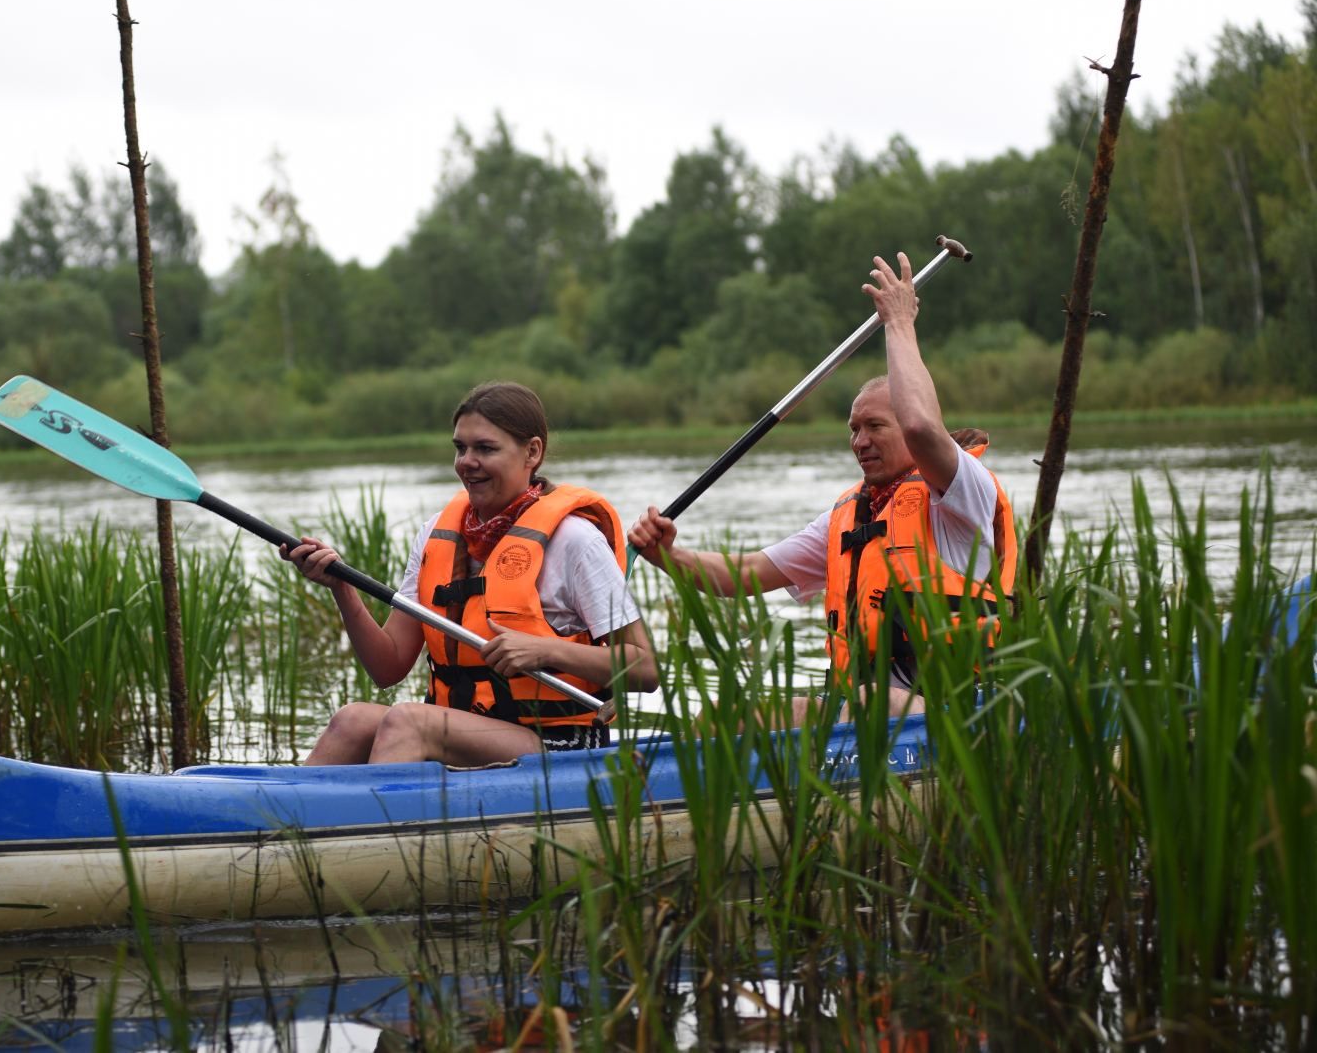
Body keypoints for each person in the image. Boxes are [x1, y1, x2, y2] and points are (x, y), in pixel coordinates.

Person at [628, 252, 1016, 718]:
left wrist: (899, 321)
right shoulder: (851, 517)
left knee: (866, 701)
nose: (859, 441)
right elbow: (744, 574)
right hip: (869, 706)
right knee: (722, 716)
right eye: (853, 429)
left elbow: (920, 427)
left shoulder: (962, 489)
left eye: (875, 426)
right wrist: (667, 556)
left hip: (961, 705)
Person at [284, 381, 659, 765]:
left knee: (408, 722)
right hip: (467, 727)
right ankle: (284, 820)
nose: (466, 461)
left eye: (485, 448)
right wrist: (341, 587)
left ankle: (377, 825)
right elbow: (388, 666)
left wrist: (545, 650)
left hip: (559, 742)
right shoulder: (436, 534)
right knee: (353, 721)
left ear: (532, 452)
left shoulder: (576, 541)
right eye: (460, 448)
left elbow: (645, 668)